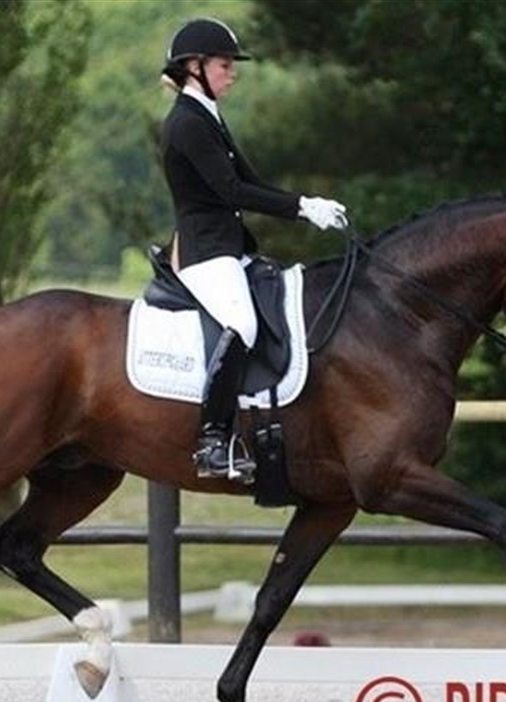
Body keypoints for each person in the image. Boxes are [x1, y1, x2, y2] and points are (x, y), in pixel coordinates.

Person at [159, 17, 348, 481]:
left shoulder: (208, 115)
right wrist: (301, 208)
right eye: (225, 65)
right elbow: (229, 190)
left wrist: (308, 204)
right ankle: (212, 440)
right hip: (205, 252)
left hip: (227, 247)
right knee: (241, 324)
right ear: (195, 67)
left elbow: (251, 182)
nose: (233, 73)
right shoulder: (186, 123)